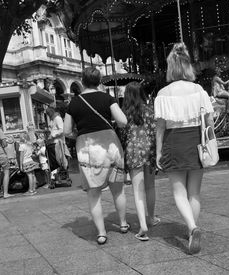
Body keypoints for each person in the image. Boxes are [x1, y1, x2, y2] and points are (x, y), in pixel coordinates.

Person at [154, 42, 214, 254]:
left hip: (173, 142)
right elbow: (209, 120)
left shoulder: (163, 93)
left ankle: (193, 227)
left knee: (179, 193)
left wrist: (159, 152)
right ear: (188, 66)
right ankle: (191, 232)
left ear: (170, 67)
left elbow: (160, 127)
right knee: (194, 193)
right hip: (196, 141)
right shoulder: (198, 90)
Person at [64, 67, 129, 245]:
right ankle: (123, 224)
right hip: (111, 145)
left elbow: (66, 131)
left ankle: (101, 233)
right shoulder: (107, 98)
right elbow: (123, 121)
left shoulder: (74, 103)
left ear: (82, 81)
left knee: (94, 194)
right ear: (99, 81)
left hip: (87, 149)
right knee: (118, 189)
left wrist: (79, 133)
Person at [121, 82, 160, 241]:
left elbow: (123, 135)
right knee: (150, 187)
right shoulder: (150, 111)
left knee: (137, 191)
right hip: (149, 150)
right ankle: (151, 217)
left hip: (132, 151)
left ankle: (142, 224)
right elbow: (155, 132)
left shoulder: (125, 114)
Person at [46, 105, 65, 182]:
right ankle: (55, 176)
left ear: (51, 112)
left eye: (48, 113)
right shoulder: (52, 119)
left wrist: (53, 135)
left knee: (57, 160)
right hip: (52, 143)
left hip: (57, 142)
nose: (47, 115)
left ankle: (56, 176)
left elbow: (62, 130)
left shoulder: (57, 118)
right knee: (53, 160)